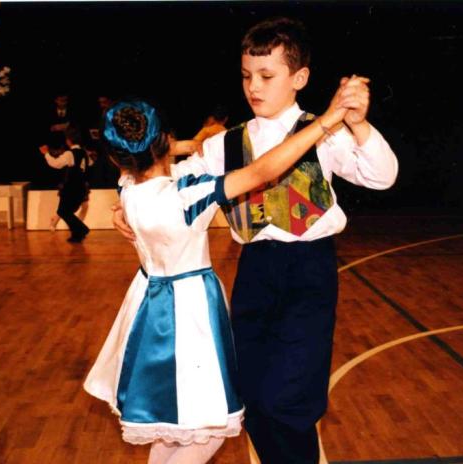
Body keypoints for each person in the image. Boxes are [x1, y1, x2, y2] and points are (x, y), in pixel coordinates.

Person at [113, 18, 398, 464]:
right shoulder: (223, 145)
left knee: (290, 399)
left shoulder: (323, 133)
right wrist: (124, 202)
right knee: (250, 395)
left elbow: (381, 176)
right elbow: (166, 180)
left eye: (267, 76)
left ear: (299, 78)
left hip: (309, 272)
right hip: (255, 271)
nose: (254, 87)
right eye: (247, 76)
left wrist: (359, 125)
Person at [85, 81, 354, 464]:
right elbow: (262, 171)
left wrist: (187, 143)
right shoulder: (185, 196)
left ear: (116, 158)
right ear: (164, 140)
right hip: (188, 315)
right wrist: (325, 121)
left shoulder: (127, 188)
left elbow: (148, 160)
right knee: (209, 429)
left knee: (175, 425)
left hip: (148, 309)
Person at [40, 126, 91, 242]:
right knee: (65, 211)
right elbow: (90, 164)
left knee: (63, 211)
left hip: (71, 188)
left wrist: (46, 154)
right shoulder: (84, 153)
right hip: (81, 187)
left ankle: (81, 230)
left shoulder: (70, 154)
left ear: (68, 140)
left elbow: (56, 164)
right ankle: (77, 234)